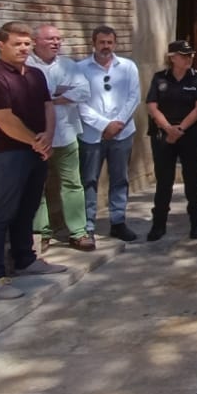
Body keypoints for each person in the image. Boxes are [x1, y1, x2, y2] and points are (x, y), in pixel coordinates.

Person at [0, 22, 65, 299]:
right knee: (2, 214)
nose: (23, 48)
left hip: (36, 152)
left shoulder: (36, 75)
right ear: (1, 45)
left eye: (27, 44)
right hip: (7, 154)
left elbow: (48, 107)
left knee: (27, 209)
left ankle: (25, 259)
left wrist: (48, 137)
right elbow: (3, 119)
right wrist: (36, 142)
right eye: (17, 44)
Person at [27, 23, 94, 252]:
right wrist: (63, 93)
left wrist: (52, 98)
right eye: (50, 39)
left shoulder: (68, 65)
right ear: (36, 41)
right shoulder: (25, 66)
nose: (56, 43)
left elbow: (84, 92)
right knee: (38, 186)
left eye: (58, 39)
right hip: (36, 137)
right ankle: (41, 233)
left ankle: (78, 232)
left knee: (73, 184)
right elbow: (27, 99)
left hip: (66, 135)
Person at [77, 26, 141, 243]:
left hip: (122, 134)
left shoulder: (128, 66)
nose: (106, 46)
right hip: (92, 135)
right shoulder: (80, 68)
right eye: (102, 42)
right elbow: (80, 103)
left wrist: (119, 123)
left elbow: (134, 97)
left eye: (110, 42)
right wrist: (105, 125)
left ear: (115, 43)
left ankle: (118, 222)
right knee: (89, 179)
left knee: (120, 178)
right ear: (93, 43)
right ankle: (87, 225)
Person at [146, 40, 197, 240]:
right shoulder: (159, 78)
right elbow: (152, 106)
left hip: (190, 133)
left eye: (190, 55)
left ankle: (196, 222)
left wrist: (180, 129)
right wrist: (168, 129)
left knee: (193, 179)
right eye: (184, 55)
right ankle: (159, 224)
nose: (188, 58)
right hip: (164, 134)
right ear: (172, 58)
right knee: (164, 180)